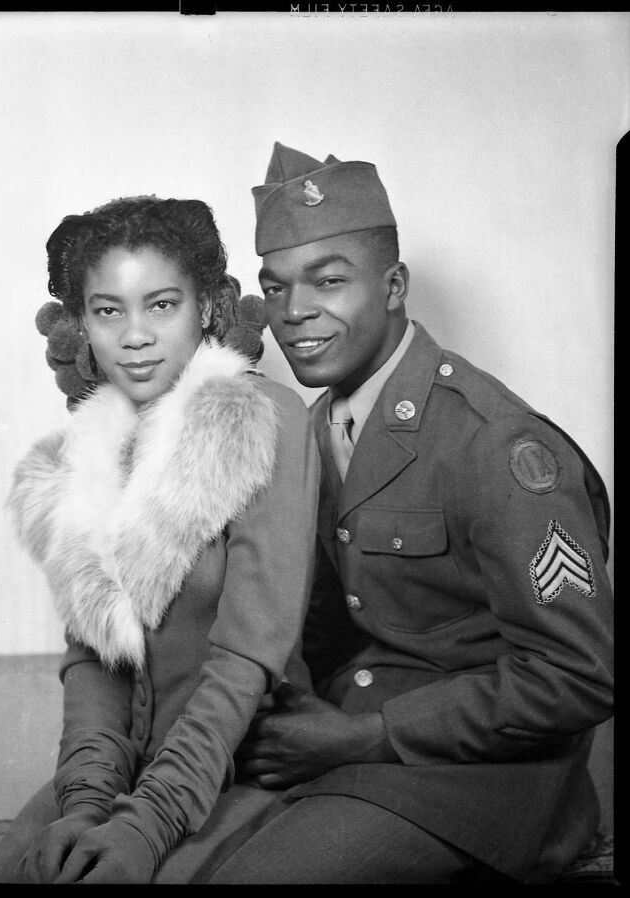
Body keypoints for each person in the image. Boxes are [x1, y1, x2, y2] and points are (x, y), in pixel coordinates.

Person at [193, 143, 614, 884]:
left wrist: (368, 737)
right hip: (341, 730)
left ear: (393, 286)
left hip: (478, 776)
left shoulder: (497, 444)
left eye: (328, 282)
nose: (295, 313)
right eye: (276, 287)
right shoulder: (310, 425)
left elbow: (582, 675)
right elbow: (325, 615)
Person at [0, 195, 320, 883]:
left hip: (239, 767)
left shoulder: (263, 422)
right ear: (82, 323)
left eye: (161, 305)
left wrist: (149, 822)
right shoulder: (86, 452)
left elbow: (246, 662)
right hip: (122, 768)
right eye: (109, 310)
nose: (134, 335)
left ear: (207, 309)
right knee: (20, 869)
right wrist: (84, 802)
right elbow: (93, 660)